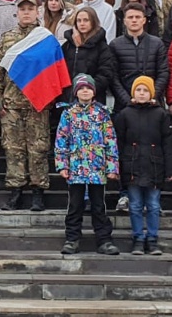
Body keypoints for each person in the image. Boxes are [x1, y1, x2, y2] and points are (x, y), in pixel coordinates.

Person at [0, 0, 51, 211]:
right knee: (13, 150)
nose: (26, 12)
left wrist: (48, 99)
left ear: (37, 12)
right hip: (11, 105)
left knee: (38, 150)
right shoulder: (7, 39)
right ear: (17, 12)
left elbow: (52, 72)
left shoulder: (44, 38)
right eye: (22, 9)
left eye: (30, 9)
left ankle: (37, 192)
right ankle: (15, 191)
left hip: (37, 105)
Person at [109, 2, 170, 214]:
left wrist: (153, 96)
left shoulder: (157, 44)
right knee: (126, 151)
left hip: (153, 108)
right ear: (124, 21)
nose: (134, 20)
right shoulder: (115, 45)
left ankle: (154, 197)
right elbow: (113, 76)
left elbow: (163, 72)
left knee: (154, 151)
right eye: (130, 17)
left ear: (144, 20)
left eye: (138, 17)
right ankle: (125, 195)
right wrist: (127, 100)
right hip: (125, 109)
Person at [55, 74, 120, 256]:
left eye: (89, 88)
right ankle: (72, 239)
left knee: (99, 205)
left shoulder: (102, 113)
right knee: (75, 205)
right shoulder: (68, 114)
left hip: (97, 168)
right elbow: (61, 139)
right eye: (82, 88)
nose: (85, 90)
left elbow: (110, 140)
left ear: (94, 92)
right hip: (76, 168)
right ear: (76, 92)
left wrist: (112, 167)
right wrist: (62, 165)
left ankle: (104, 240)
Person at [113, 76, 172, 255]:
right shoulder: (125, 114)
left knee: (154, 205)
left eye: (145, 90)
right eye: (139, 90)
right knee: (135, 205)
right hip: (131, 165)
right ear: (134, 92)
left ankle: (153, 239)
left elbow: (168, 144)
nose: (142, 93)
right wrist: (116, 167)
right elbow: (118, 142)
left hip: (154, 165)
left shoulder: (161, 114)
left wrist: (171, 169)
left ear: (151, 93)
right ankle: (138, 239)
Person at [60, 7, 116, 106]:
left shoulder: (102, 47)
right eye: (79, 20)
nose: (82, 23)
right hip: (68, 99)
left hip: (93, 100)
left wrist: (87, 89)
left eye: (86, 20)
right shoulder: (67, 46)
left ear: (93, 22)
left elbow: (106, 74)